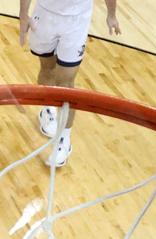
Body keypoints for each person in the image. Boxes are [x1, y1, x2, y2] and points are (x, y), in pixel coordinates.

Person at [18, 0, 120, 167]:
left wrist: (111, 15)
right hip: (45, 15)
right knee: (47, 68)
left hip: (76, 20)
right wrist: (23, 14)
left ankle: (64, 139)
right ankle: (47, 109)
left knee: (66, 83)